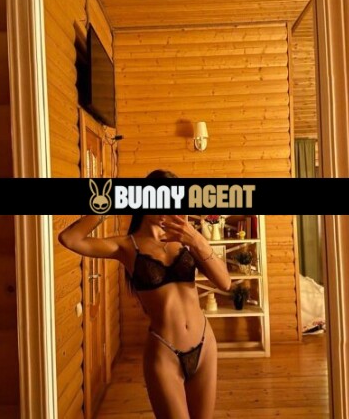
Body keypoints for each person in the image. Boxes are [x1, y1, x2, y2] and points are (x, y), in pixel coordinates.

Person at [59, 169, 231, 419]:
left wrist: (196, 239)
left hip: (205, 344)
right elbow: (70, 239)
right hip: (165, 352)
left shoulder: (184, 239)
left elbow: (225, 282)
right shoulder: (126, 246)